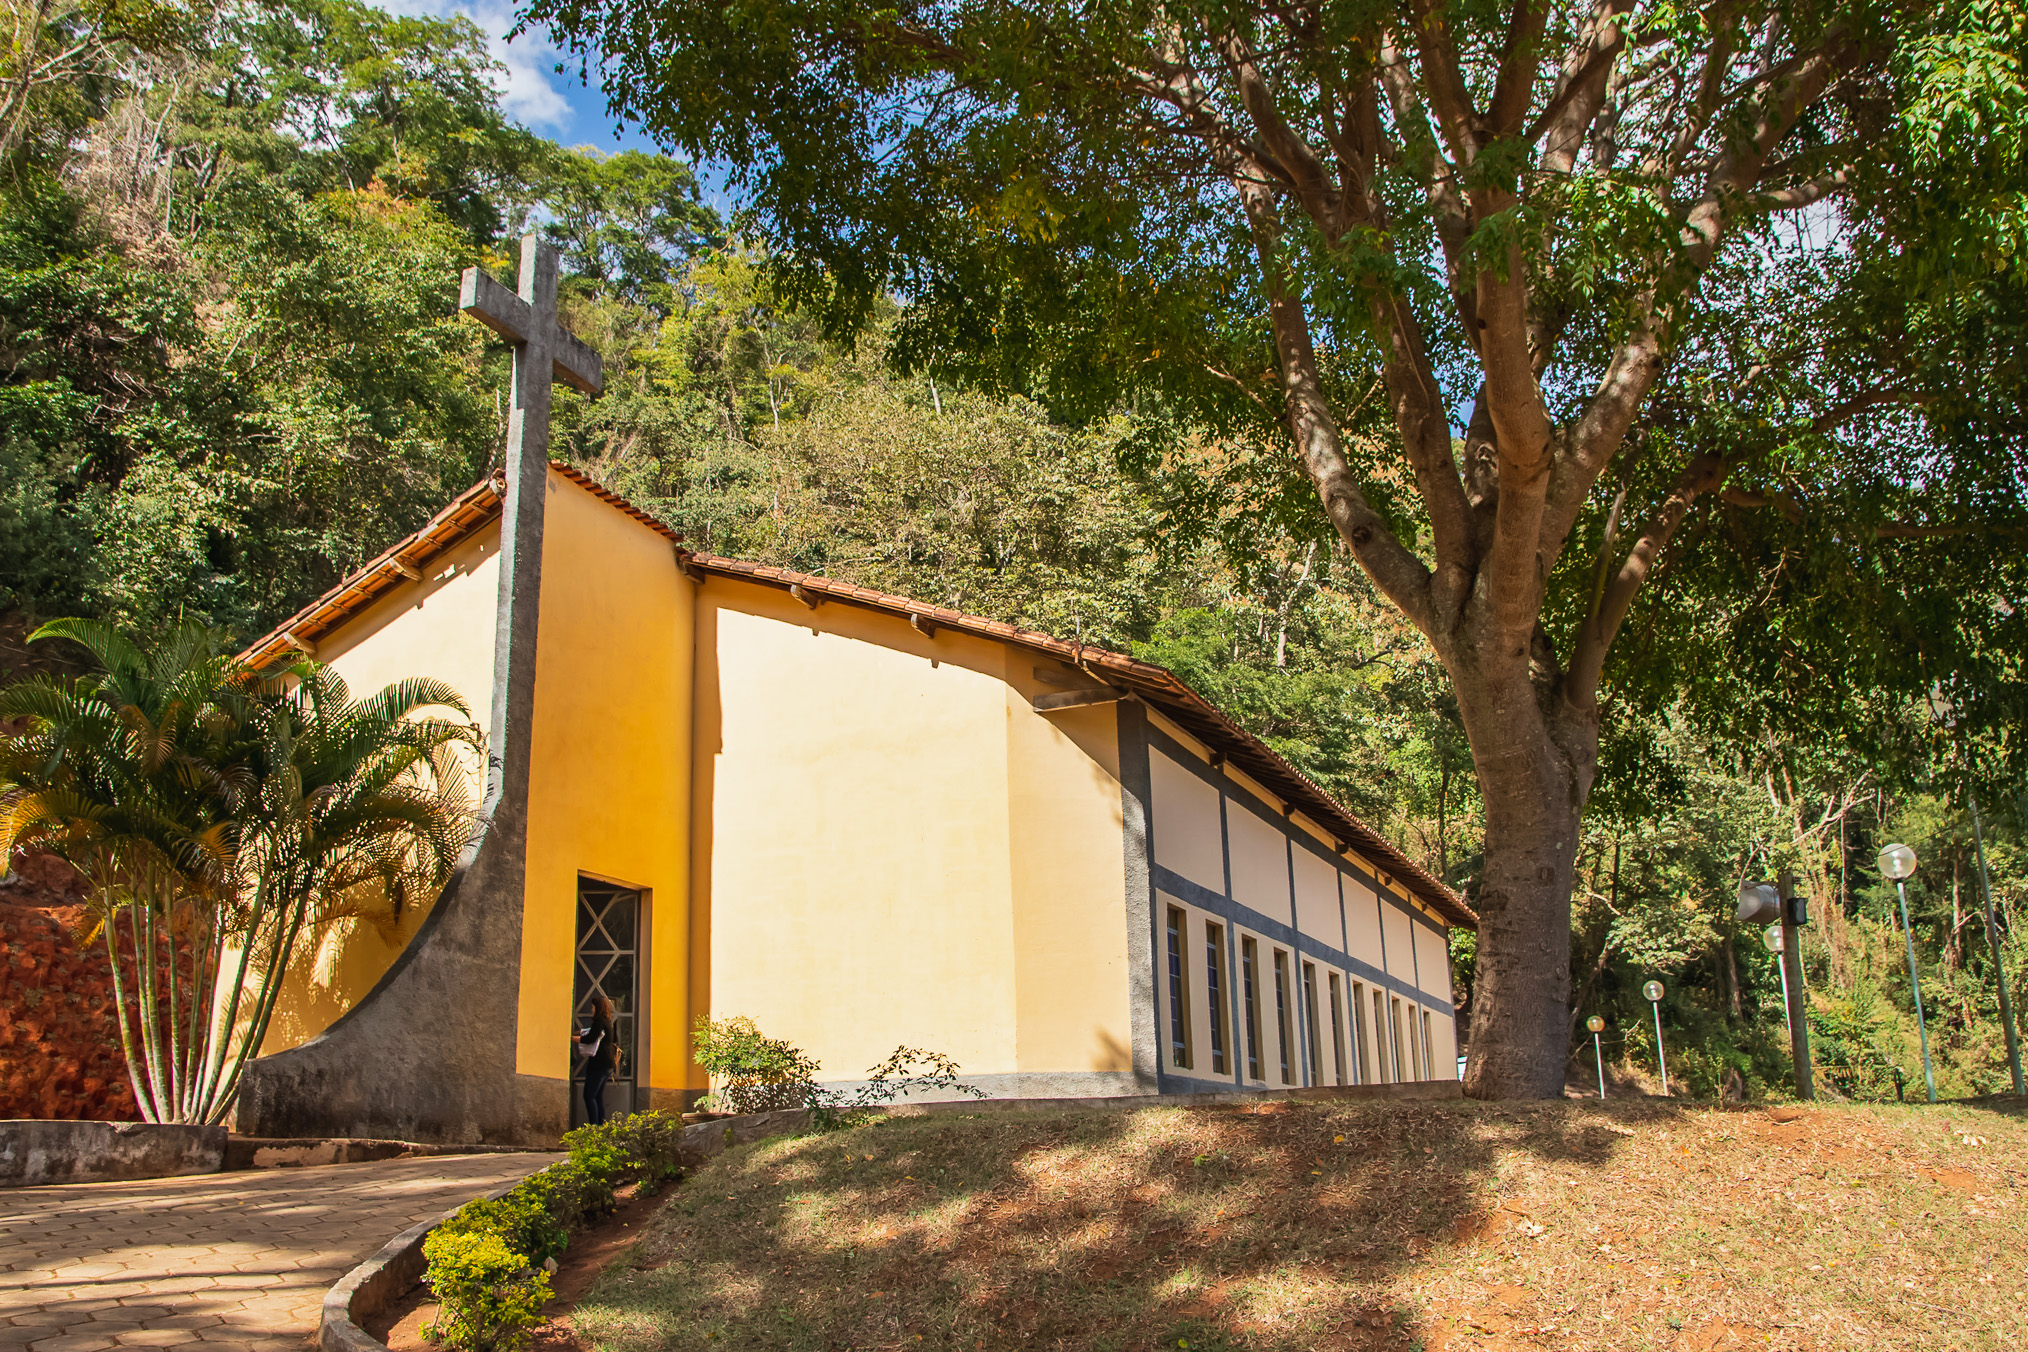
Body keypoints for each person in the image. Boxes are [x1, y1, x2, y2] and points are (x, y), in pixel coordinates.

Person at [576, 993, 618, 1126]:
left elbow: (590, 1038)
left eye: (593, 1007)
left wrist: (573, 1038)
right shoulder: (608, 1022)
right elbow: (613, 1039)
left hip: (598, 1064)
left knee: (589, 1096)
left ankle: (594, 1127)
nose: (591, 1009)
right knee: (597, 1096)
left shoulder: (599, 1022)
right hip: (607, 1064)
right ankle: (601, 1127)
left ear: (597, 1008)